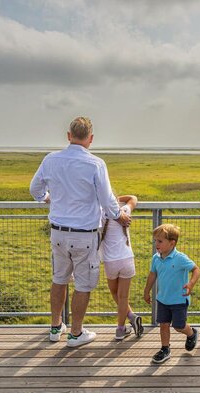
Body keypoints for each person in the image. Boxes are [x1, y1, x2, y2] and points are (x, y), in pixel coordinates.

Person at [30, 116, 130, 348]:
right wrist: (119, 216)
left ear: (68, 135)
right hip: (84, 234)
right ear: (91, 139)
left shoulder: (51, 159)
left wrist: (46, 198)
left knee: (59, 279)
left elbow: (35, 188)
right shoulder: (96, 164)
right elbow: (107, 200)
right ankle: (75, 333)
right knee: (83, 285)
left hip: (57, 233)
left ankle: (56, 327)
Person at [143, 224, 200, 364]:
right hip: (162, 299)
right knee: (163, 324)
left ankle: (191, 333)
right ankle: (165, 349)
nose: (156, 244)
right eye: (155, 240)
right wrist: (146, 291)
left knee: (178, 326)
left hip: (179, 300)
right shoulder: (156, 258)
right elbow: (152, 275)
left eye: (160, 241)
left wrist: (191, 284)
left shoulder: (180, 258)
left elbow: (196, 270)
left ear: (172, 243)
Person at [100, 194, 144, 341]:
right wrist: (119, 197)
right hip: (126, 258)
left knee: (115, 293)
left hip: (110, 261)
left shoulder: (99, 213)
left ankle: (128, 320)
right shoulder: (124, 210)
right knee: (123, 296)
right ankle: (123, 325)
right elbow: (133, 198)